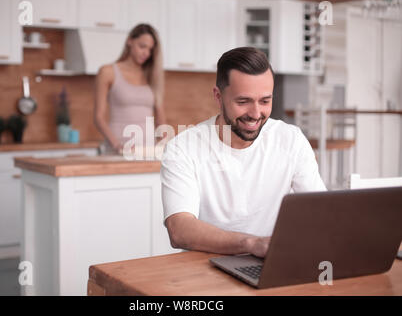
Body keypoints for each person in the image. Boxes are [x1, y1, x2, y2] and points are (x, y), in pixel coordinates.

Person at [160, 47, 327, 258]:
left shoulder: (291, 140)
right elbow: (179, 229)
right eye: (243, 102)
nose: (256, 114)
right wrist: (251, 244)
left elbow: (322, 211)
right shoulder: (182, 148)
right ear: (218, 97)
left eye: (265, 101)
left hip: (269, 266)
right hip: (205, 270)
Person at [94, 24, 166, 155]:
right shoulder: (108, 72)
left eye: (150, 50)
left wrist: (165, 145)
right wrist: (117, 146)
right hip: (118, 148)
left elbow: (160, 119)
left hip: (147, 151)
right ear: (130, 41)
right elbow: (98, 117)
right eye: (142, 46)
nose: (146, 53)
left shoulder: (152, 76)